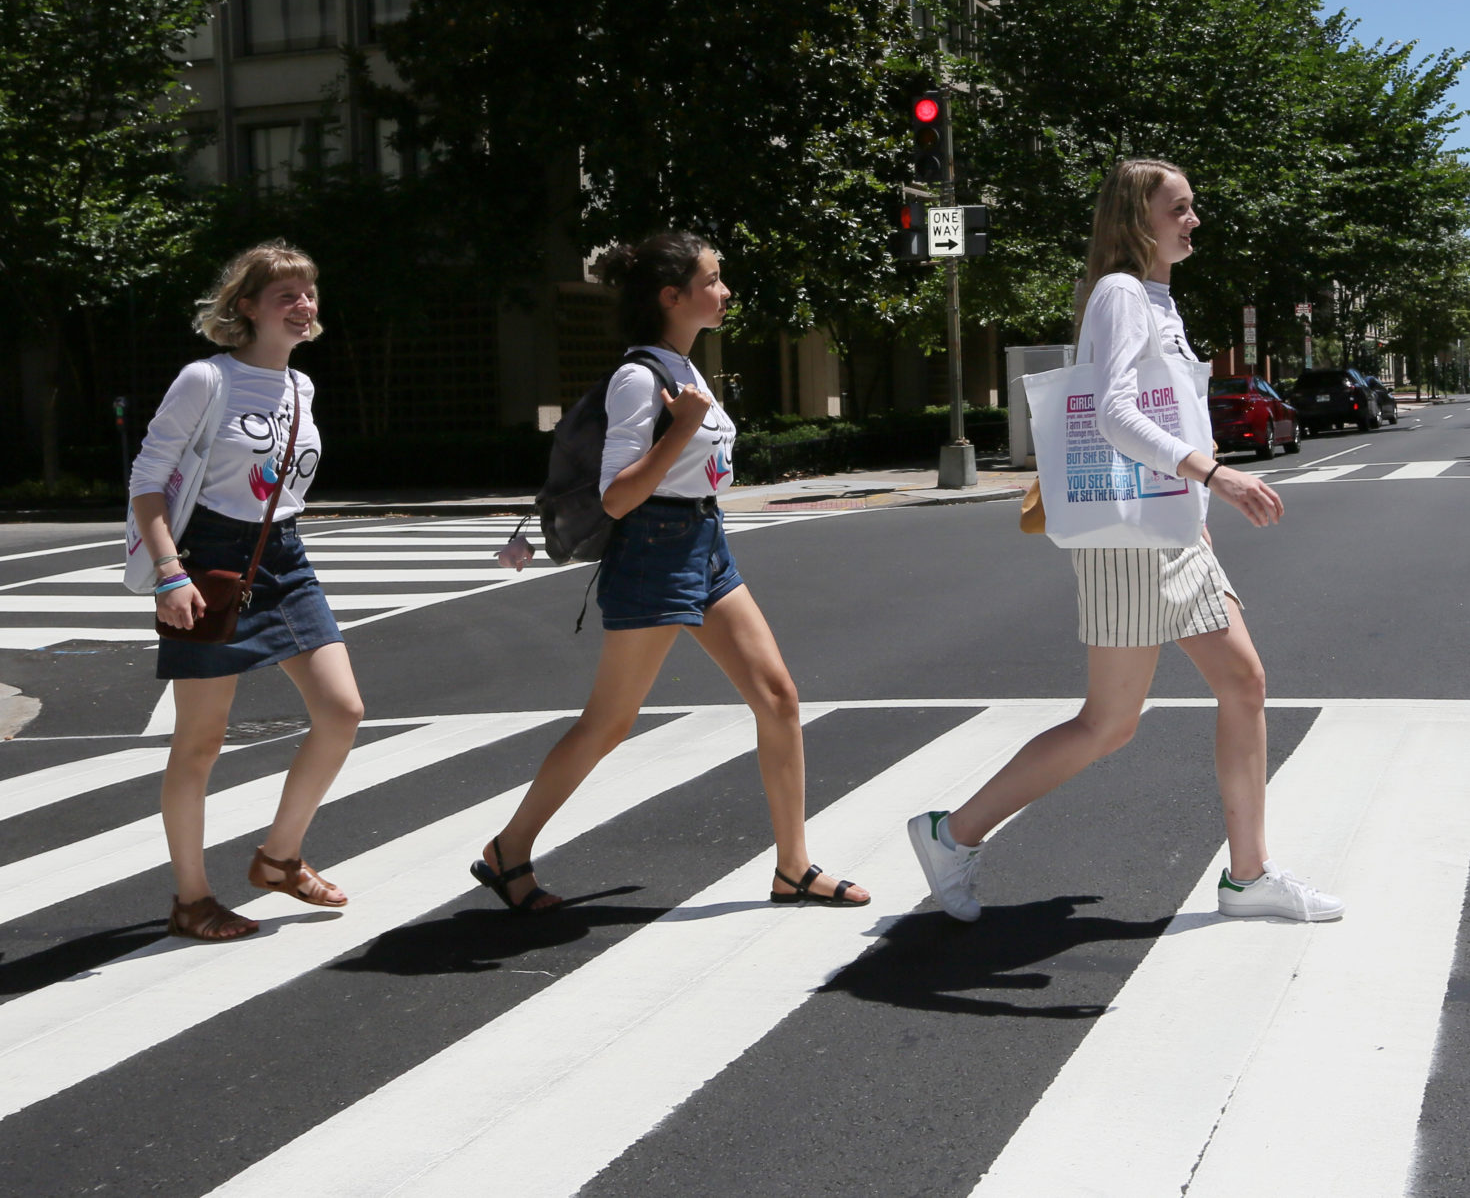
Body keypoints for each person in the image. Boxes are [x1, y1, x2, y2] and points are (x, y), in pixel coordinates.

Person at [908, 159, 1343, 924]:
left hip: (1173, 528)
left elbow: (1164, 411)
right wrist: (1218, 476)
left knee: (1243, 683)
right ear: (1138, 219)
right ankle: (953, 832)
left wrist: (1194, 500)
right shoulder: (1118, 295)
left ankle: (1248, 876)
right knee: (1109, 724)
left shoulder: (1158, 301)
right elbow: (1110, 414)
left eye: (1192, 205)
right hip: (1131, 540)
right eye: (1180, 207)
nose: (1193, 219)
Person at [475, 233, 868, 912]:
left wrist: (689, 425)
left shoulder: (683, 366)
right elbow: (617, 494)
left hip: (703, 541)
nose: (725, 291)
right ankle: (508, 849)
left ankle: (793, 867)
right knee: (608, 722)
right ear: (672, 296)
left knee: (778, 697)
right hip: (656, 548)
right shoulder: (641, 378)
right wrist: (682, 427)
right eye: (713, 279)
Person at [130, 243, 364, 941]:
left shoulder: (301, 387)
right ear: (247, 307)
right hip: (209, 559)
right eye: (286, 294)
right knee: (200, 741)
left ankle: (278, 856)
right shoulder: (207, 378)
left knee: (343, 709)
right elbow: (148, 478)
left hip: (284, 557)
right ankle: (192, 898)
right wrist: (170, 571)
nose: (304, 305)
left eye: (309, 293)